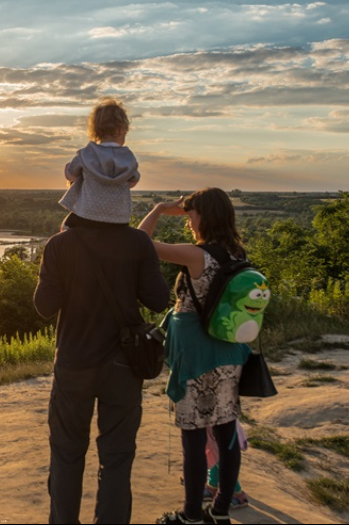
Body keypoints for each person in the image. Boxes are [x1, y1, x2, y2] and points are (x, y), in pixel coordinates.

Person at [34, 199, 170, 523]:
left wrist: (59, 260)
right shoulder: (137, 242)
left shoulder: (60, 244)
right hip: (123, 365)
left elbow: (44, 305)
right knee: (117, 458)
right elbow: (158, 298)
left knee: (66, 455)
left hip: (74, 363)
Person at [137, 188, 252, 525]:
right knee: (225, 432)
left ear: (206, 216)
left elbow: (140, 245)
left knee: (193, 433)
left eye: (191, 214)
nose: (188, 221)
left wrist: (158, 209)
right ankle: (220, 512)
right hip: (230, 354)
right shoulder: (235, 252)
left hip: (198, 359)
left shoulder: (197, 255)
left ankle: (190, 516)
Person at [59, 98, 140, 230]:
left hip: (87, 215)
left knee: (64, 229)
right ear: (123, 130)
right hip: (120, 219)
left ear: (95, 130)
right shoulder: (128, 157)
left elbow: (71, 176)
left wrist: (69, 169)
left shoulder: (87, 154)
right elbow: (132, 182)